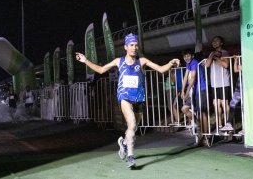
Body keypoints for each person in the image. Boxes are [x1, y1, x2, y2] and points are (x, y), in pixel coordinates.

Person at [75, 33, 180, 168]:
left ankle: (124, 143)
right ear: (125, 47)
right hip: (125, 98)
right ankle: (131, 157)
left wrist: (170, 63)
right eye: (131, 45)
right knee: (131, 125)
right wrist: (85, 61)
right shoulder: (119, 61)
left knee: (134, 128)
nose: (134, 48)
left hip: (139, 99)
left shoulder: (142, 61)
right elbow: (101, 70)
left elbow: (161, 69)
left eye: (136, 45)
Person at [180, 49, 209, 145]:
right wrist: (183, 90)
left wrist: (187, 91)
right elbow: (185, 78)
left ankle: (205, 137)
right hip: (193, 91)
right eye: (185, 56)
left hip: (201, 89)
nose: (186, 58)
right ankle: (197, 124)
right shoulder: (188, 64)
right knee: (184, 109)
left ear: (192, 56)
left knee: (202, 112)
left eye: (188, 56)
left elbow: (192, 79)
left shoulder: (195, 62)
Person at [205, 36, 231, 130]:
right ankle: (219, 125)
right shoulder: (212, 53)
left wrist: (217, 58)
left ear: (221, 43)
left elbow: (226, 65)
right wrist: (212, 56)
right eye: (213, 41)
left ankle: (228, 124)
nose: (214, 42)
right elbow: (207, 65)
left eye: (217, 41)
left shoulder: (225, 52)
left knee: (224, 104)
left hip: (224, 82)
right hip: (214, 83)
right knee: (216, 104)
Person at [220, 55, 244, 135]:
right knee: (232, 104)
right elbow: (236, 70)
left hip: (247, 87)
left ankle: (246, 128)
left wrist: (243, 68)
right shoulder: (242, 60)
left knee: (246, 108)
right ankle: (229, 124)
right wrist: (236, 60)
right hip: (239, 87)